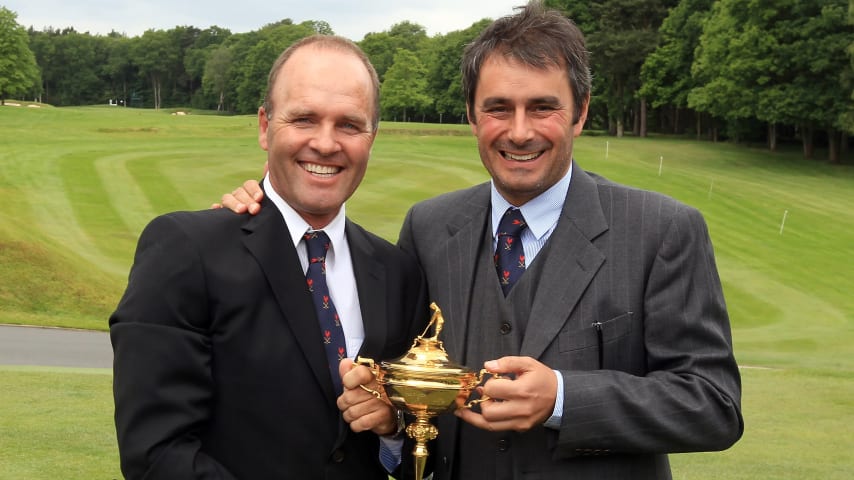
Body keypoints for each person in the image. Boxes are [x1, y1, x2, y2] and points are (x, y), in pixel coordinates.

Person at [220, 2, 744, 478]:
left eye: (543, 107)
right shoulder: (428, 227)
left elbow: (714, 405)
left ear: (580, 113)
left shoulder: (661, 230)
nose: (519, 132)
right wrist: (268, 217)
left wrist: (564, 398)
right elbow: (399, 390)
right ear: (472, 114)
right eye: (498, 108)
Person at [110, 35, 429, 480]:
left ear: (371, 138)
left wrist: (392, 426)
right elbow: (156, 453)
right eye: (303, 119)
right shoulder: (185, 249)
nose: (325, 143)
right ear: (264, 126)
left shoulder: (397, 272)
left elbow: (419, 443)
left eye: (349, 125)